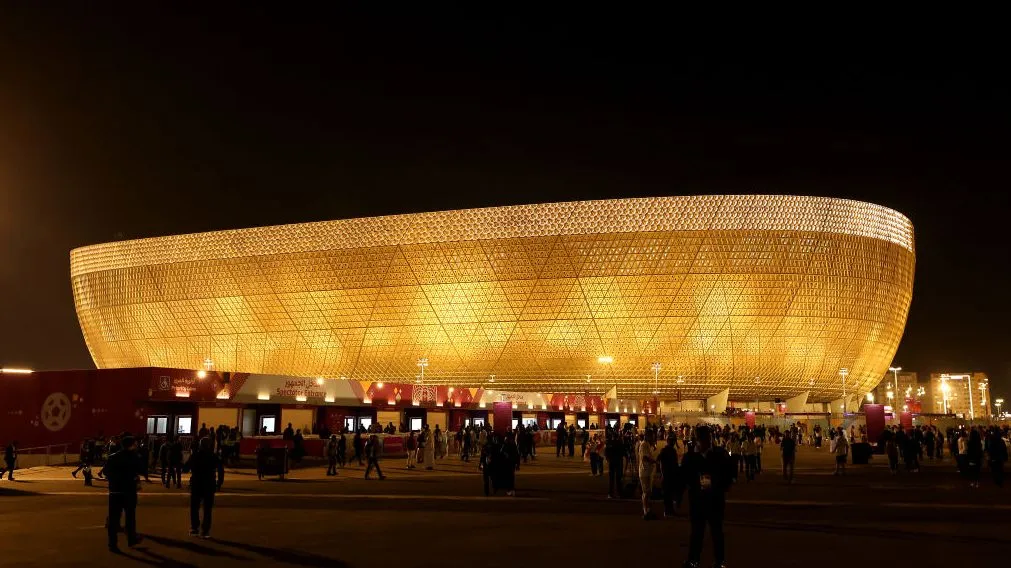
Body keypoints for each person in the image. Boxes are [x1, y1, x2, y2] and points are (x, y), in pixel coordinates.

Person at [680, 425, 735, 568]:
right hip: (697, 500)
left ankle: (719, 561)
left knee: (716, 532)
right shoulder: (690, 457)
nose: (706, 442)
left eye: (707, 439)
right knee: (697, 532)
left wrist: (720, 484)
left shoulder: (720, 454)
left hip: (715, 499)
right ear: (697, 440)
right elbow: (683, 477)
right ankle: (694, 560)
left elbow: (729, 473)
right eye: (702, 439)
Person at [104, 436, 142, 553]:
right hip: (129, 491)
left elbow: (106, 472)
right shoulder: (134, 457)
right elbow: (139, 470)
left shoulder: (112, 457)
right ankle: (131, 539)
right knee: (130, 517)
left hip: (115, 491)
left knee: (114, 518)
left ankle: (112, 544)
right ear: (131, 445)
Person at [183, 437, 224, 538]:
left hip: (196, 483)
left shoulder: (195, 455)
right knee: (207, 509)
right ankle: (205, 530)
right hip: (209, 484)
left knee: (194, 507)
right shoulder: (213, 456)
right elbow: (220, 469)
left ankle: (194, 528)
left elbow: (185, 469)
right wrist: (219, 483)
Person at [658, 434, 682, 518]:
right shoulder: (665, 450)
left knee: (669, 494)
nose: (673, 442)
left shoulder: (671, 450)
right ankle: (668, 511)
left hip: (670, 475)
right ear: (668, 441)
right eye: (671, 441)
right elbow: (660, 461)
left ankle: (669, 511)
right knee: (668, 495)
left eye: (673, 441)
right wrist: (662, 473)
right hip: (667, 475)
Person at [637, 429, 659, 520]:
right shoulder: (644, 445)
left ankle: (647, 510)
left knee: (647, 492)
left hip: (647, 471)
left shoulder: (647, 444)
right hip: (644, 471)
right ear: (648, 436)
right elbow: (645, 458)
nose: (653, 438)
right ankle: (646, 511)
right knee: (646, 492)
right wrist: (654, 462)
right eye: (652, 436)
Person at [604, 430, 624, 499]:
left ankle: (610, 493)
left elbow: (606, 452)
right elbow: (622, 452)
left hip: (612, 461)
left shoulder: (609, 443)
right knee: (618, 478)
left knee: (611, 479)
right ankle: (619, 493)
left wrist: (608, 459)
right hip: (618, 461)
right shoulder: (619, 443)